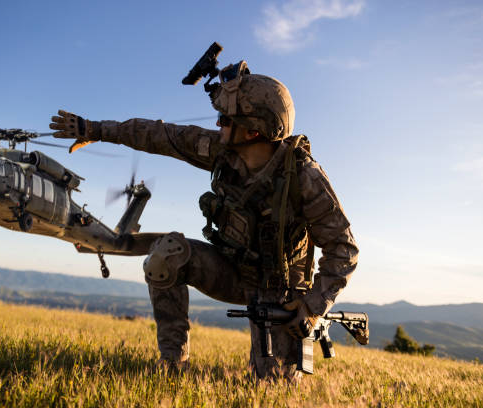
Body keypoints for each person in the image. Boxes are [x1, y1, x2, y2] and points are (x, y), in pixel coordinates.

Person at [49, 62, 358, 380]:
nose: (217, 124)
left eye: (225, 119)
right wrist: (95, 129)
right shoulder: (222, 150)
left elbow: (344, 250)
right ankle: (172, 364)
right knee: (165, 255)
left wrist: (311, 306)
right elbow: (159, 134)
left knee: (272, 386)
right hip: (232, 270)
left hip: (280, 293)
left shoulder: (305, 178)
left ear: (252, 131)